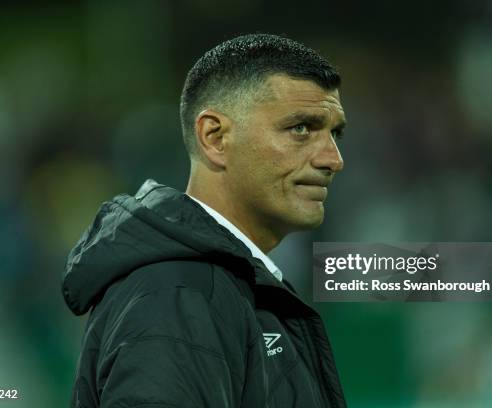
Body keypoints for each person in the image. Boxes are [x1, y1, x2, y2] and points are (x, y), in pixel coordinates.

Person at [62, 33, 347, 408]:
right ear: (215, 137)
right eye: (301, 129)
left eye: (334, 133)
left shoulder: (222, 285)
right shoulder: (179, 293)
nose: (333, 159)